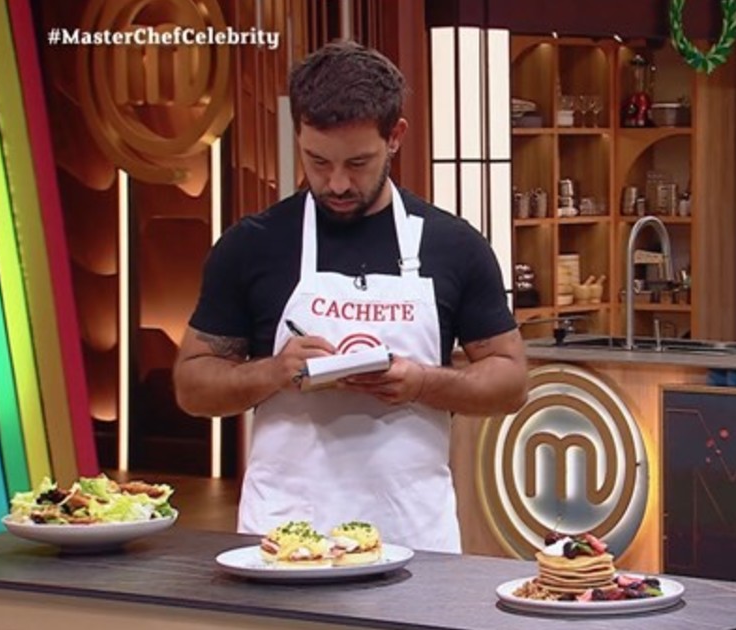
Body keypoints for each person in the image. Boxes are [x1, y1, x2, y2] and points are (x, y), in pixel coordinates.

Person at [173, 40, 528, 553]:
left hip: (414, 539)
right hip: (283, 535)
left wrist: (422, 382)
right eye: (317, 161)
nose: (336, 183)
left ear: (395, 136)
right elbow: (192, 386)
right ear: (298, 134)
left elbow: (511, 382)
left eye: (358, 163)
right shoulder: (252, 245)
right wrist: (275, 372)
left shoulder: (454, 245)